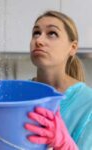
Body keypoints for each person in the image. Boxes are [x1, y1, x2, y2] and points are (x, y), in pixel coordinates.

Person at [24, 10, 92, 149]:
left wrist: (65, 145)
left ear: (72, 48)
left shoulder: (88, 103)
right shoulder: (20, 94)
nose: (39, 40)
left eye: (52, 34)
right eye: (36, 33)